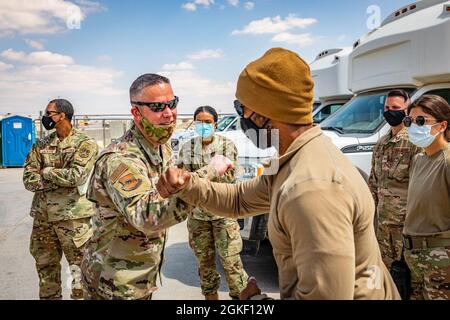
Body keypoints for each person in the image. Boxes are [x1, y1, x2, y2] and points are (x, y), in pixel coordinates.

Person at [157, 48, 401, 300]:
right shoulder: (289, 160)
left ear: (264, 112)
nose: (242, 118)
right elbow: (240, 198)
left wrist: (256, 302)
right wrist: (188, 185)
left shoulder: (311, 188)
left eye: (242, 108)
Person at [80, 74, 227, 300]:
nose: (169, 113)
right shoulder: (121, 159)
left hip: (139, 278)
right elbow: (147, 217)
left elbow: (174, 187)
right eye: (158, 107)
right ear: (136, 113)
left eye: (172, 103)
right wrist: (209, 172)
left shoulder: (161, 148)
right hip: (113, 284)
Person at [23, 99, 99, 300]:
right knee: (45, 269)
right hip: (43, 218)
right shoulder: (41, 144)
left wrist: (46, 171)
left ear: (62, 115)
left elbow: (76, 176)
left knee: (79, 271)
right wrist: (60, 179)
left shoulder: (85, 144)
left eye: (50, 113)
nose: (46, 117)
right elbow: (29, 180)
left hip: (73, 219)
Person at [177, 106, 248, 300]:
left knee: (232, 263)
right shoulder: (187, 148)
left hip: (223, 214)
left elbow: (227, 179)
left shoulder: (226, 146)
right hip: (198, 216)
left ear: (215, 124)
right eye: (199, 122)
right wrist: (208, 174)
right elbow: (183, 182)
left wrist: (197, 181)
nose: (203, 126)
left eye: (207, 122)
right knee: (205, 266)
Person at [367, 90, 421, 297]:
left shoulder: (415, 143)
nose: (390, 112)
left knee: (409, 282)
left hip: (407, 229)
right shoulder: (380, 144)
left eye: (396, 108)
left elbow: (420, 187)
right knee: (386, 280)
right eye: (387, 108)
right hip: (383, 228)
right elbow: (373, 184)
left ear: (407, 110)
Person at [402, 94, 450, 300]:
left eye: (421, 121)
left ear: (442, 125)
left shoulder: (447, 161)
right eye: (409, 121)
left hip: (440, 260)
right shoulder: (419, 159)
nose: (414, 126)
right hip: (414, 257)